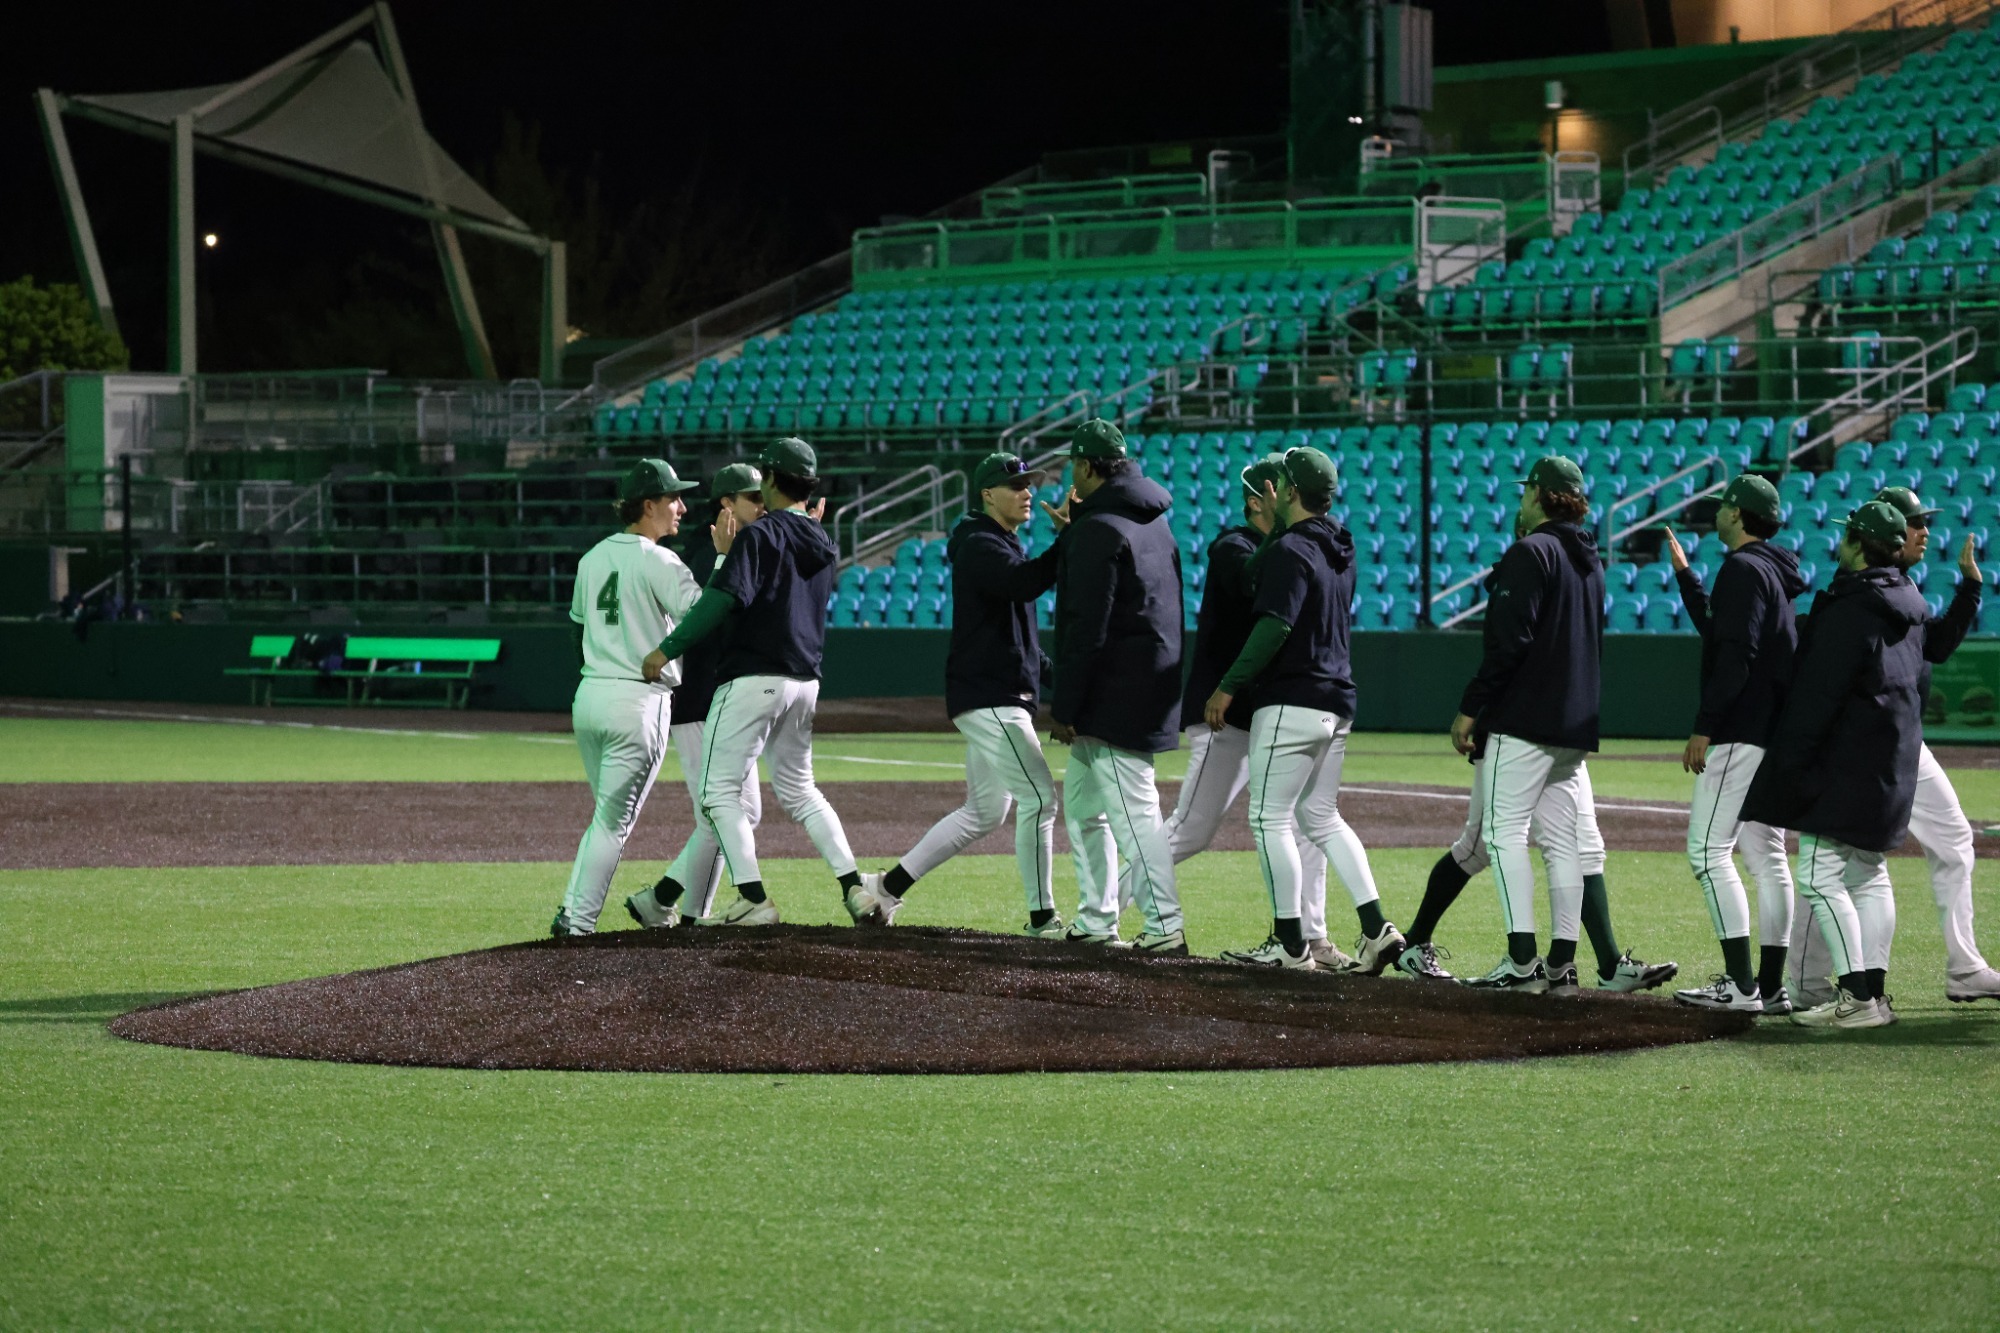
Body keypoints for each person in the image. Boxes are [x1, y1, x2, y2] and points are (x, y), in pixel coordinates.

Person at [1123, 453, 1346, 967]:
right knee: (1190, 830)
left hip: (1271, 713)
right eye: (1279, 489)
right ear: (1258, 500)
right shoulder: (1232, 545)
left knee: (1304, 827)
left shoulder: (1297, 545)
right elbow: (1253, 586)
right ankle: (1107, 908)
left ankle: (1310, 936)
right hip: (1224, 715)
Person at [642, 437, 869, 927]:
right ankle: (855, 888)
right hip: (805, 680)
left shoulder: (756, 537)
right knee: (802, 791)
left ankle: (751, 898)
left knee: (718, 796)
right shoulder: (823, 541)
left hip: (751, 679)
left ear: (769, 479)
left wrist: (666, 650)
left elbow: (721, 604)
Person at [1788, 485, 1996, 1004]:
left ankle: (1964, 968)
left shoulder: (1904, 589)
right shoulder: (1862, 590)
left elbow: (1938, 647)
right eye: (1916, 522)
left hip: (1904, 745)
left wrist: (1970, 590)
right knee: (1830, 866)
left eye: (1926, 522)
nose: (1925, 531)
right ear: (1889, 532)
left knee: (1948, 843)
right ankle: (1810, 984)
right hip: (1865, 747)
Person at [849, 452, 1069, 933]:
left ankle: (885, 889)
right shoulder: (979, 543)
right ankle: (1043, 918)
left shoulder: (1000, 543)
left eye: (1029, 483)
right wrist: (1069, 541)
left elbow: (1025, 642)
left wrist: (1060, 682)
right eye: (1016, 485)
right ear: (988, 493)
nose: (1027, 491)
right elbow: (1024, 585)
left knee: (985, 810)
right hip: (991, 696)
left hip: (995, 693)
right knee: (1040, 799)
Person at [1204, 446, 1404, 971]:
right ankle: (1376, 925)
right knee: (1322, 815)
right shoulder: (1342, 544)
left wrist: (1227, 686)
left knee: (1270, 818)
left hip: (1293, 697)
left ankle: (1290, 944)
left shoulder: (1292, 549)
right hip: (1338, 701)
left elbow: (1275, 624)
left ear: (1289, 491)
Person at [1742, 501, 1928, 1029]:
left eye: (1847, 535)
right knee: (1868, 876)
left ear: (1859, 545)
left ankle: (1857, 997)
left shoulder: (1853, 606)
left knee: (1820, 876)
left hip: (1848, 764)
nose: (1839, 542)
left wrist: (1792, 765)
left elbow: (1817, 697)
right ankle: (1875, 995)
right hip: (1891, 760)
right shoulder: (1911, 602)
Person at [1450, 455, 1606, 992]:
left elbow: (1508, 643)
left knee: (1502, 834)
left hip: (1527, 718)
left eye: (1527, 490)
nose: (1521, 498)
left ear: (1540, 494)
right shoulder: (1590, 557)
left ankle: (1522, 960)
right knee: (1564, 844)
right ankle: (1562, 963)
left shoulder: (1532, 550)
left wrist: (1472, 707)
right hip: (1574, 723)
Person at [1658, 475, 1809, 1014]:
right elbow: (1725, 634)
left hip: (1741, 729)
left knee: (1706, 851)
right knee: (1767, 856)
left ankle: (1741, 986)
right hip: (1771, 732)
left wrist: (1706, 723)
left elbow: (1735, 655)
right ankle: (1769, 987)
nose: (1718, 510)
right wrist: (1687, 580)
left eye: (1725, 504)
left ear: (1740, 515)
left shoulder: (1743, 570)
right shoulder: (1767, 569)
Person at [551, 458, 706, 937]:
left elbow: (578, 629)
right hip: (637, 701)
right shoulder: (658, 560)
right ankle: (576, 923)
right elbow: (705, 617)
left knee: (605, 820)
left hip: (591, 695)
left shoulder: (592, 557)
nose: (681, 506)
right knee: (613, 824)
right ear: (647, 505)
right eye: (672, 498)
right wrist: (724, 559)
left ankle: (571, 913)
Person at [1050, 418, 1187, 954]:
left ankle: (1164, 926)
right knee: (1086, 809)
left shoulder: (1100, 528)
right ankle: (1097, 917)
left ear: (1086, 466)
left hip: (1115, 693)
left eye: (1072, 466)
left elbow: (1088, 626)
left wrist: (1066, 704)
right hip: (1147, 680)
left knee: (1133, 814)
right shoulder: (1151, 522)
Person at [624, 463, 767, 929]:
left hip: (717, 700)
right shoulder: (710, 557)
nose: (762, 506)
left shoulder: (736, 550)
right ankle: (688, 918)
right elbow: (704, 625)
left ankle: (663, 899)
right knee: (721, 814)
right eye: (753, 498)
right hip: (699, 700)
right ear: (727, 504)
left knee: (739, 812)